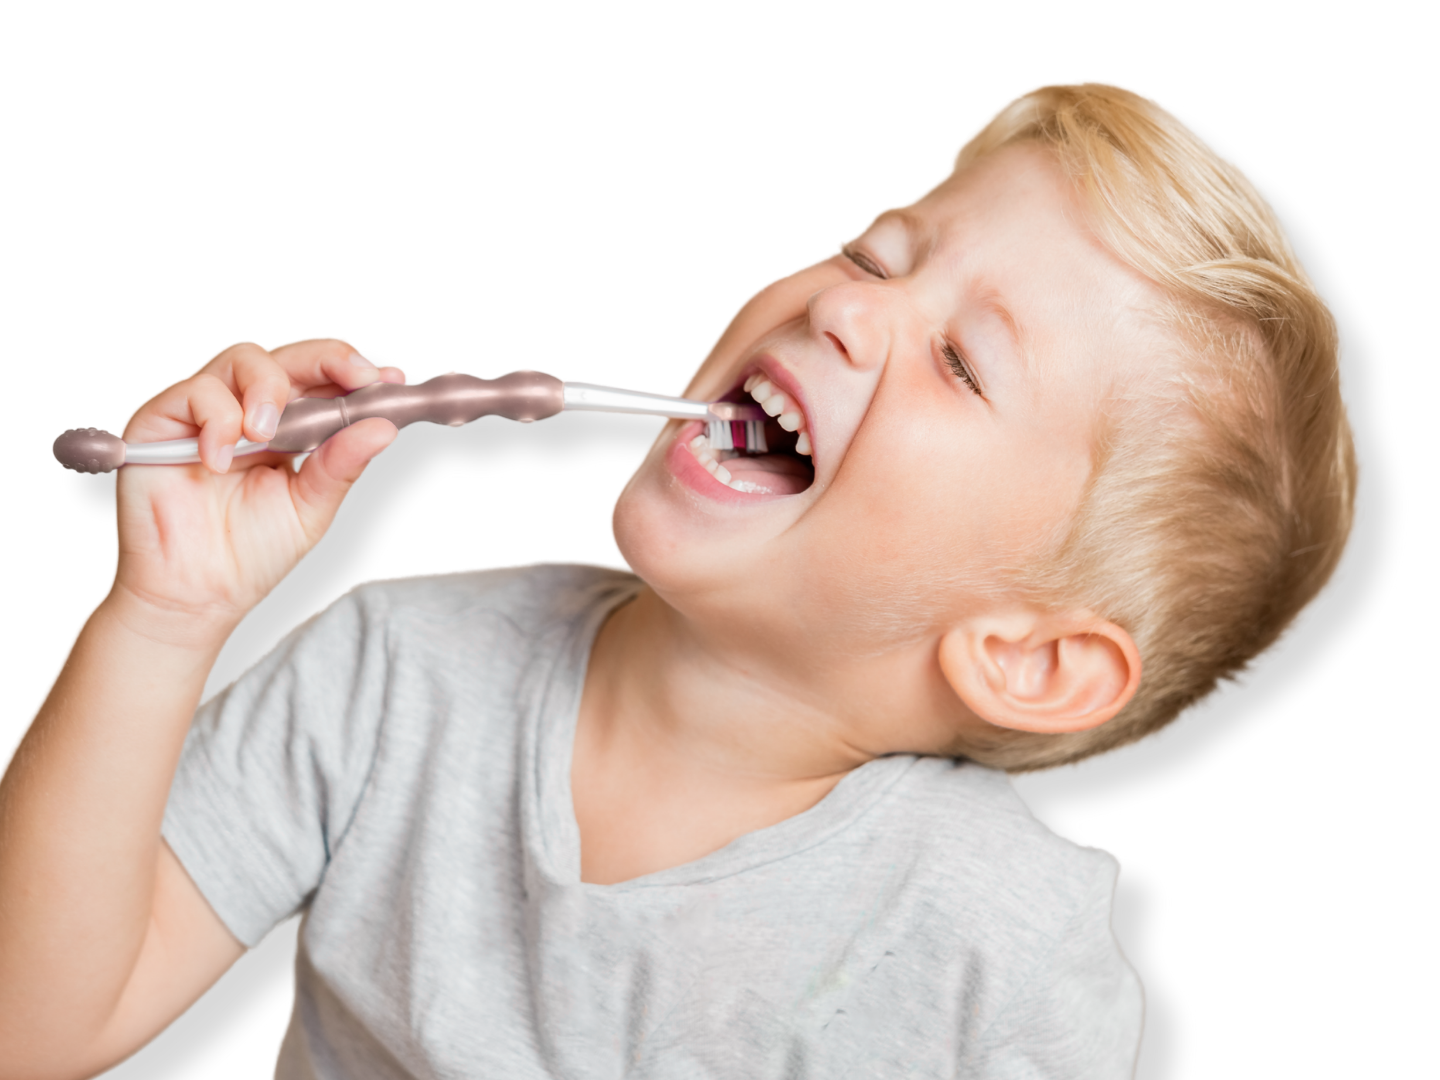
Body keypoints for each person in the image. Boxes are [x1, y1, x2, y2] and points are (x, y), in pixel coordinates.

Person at [1, 80, 1359, 1079]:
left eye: (961, 362)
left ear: (1025, 656)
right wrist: (164, 615)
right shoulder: (392, 674)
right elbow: (31, 1024)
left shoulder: (998, 975)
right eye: (876, 252)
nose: (850, 304)